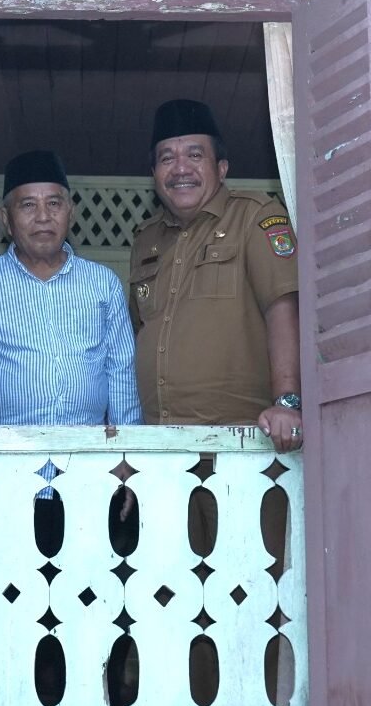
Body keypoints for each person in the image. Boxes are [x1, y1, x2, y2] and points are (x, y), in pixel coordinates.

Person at [129, 99, 302, 453]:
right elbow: (137, 331)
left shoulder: (255, 216)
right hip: (160, 448)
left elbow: (283, 308)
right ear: (154, 175)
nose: (180, 169)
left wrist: (287, 403)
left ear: (221, 168)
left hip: (245, 443)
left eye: (195, 155)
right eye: (166, 158)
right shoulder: (145, 239)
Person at [0, 149, 141, 427]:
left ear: (70, 213)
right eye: (28, 205)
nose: (43, 217)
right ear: (5, 219)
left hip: (86, 455)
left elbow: (121, 372)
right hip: (2, 457)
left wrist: (125, 454)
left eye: (54, 204)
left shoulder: (103, 283)